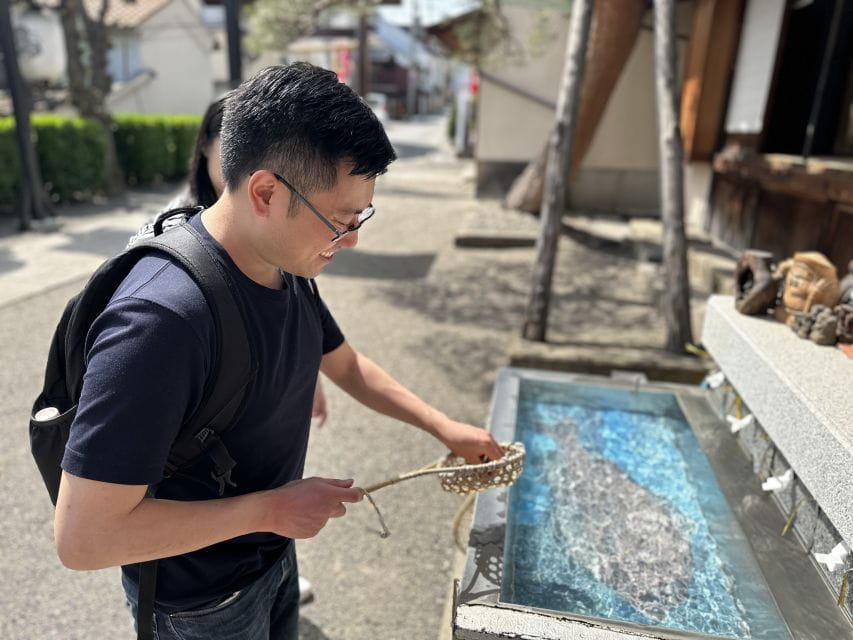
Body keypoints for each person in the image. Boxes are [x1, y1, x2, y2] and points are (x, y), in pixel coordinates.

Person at [54, 62, 503, 640]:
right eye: (342, 219)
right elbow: (84, 538)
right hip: (198, 604)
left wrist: (446, 428)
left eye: (361, 215)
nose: (354, 238)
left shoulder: (284, 262)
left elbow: (346, 365)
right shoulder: (161, 321)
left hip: (270, 556)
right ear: (265, 192)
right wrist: (270, 510)